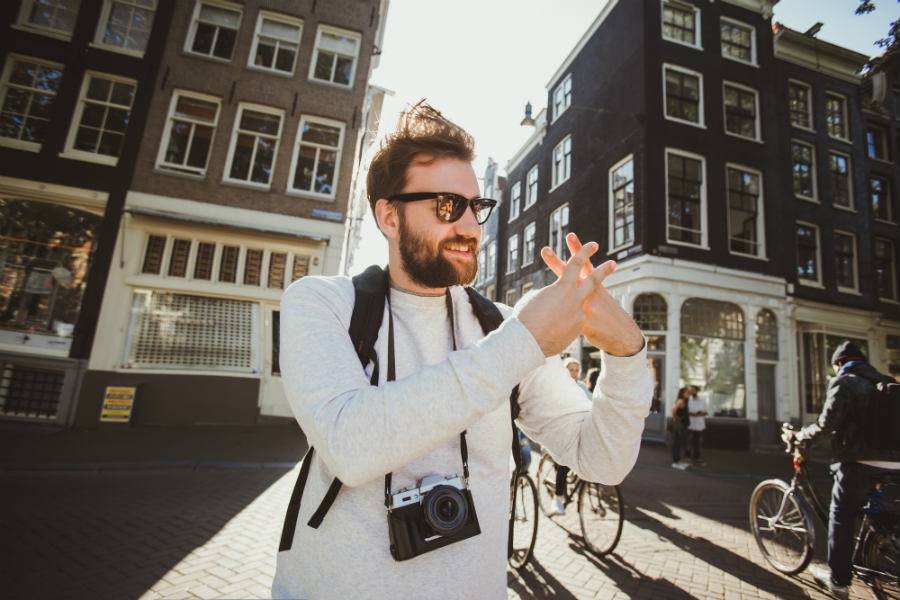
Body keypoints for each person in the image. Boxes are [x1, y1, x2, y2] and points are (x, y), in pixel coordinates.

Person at [272, 102, 652, 599]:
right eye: (448, 206)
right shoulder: (322, 304)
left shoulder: (500, 327)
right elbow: (349, 445)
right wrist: (525, 342)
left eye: (477, 207)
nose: (472, 228)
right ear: (389, 215)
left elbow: (600, 458)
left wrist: (627, 353)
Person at [784, 341, 900, 598]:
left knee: (842, 515)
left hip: (859, 462)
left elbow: (826, 425)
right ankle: (878, 540)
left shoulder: (845, 381)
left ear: (838, 363)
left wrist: (800, 437)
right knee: (874, 509)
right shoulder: (887, 381)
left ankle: (838, 581)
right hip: (895, 463)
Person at [548, 358, 593, 516]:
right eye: (570, 369)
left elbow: (593, 404)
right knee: (563, 464)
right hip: (560, 433)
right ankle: (557, 499)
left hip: (579, 431)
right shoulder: (557, 387)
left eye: (576, 370)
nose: (573, 373)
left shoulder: (581, 387)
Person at [686, 385, 707, 465]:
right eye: (691, 390)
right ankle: (687, 457)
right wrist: (691, 414)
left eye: (693, 390)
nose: (691, 391)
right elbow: (686, 411)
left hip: (699, 425)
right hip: (690, 424)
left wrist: (699, 414)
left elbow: (705, 412)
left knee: (698, 442)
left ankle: (697, 457)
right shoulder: (688, 400)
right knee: (689, 441)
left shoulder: (702, 400)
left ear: (697, 391)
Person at [670, 387, 690, 469]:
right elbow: (673, 409)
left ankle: (678, 460)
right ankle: (675, 462)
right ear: (682, 393)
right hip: (679, 426)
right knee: (677, 443)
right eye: (687, 392)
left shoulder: (684, 401)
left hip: (683, 425)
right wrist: (676, 419)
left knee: (679, 443)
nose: (688, 394)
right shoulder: (681, 400)